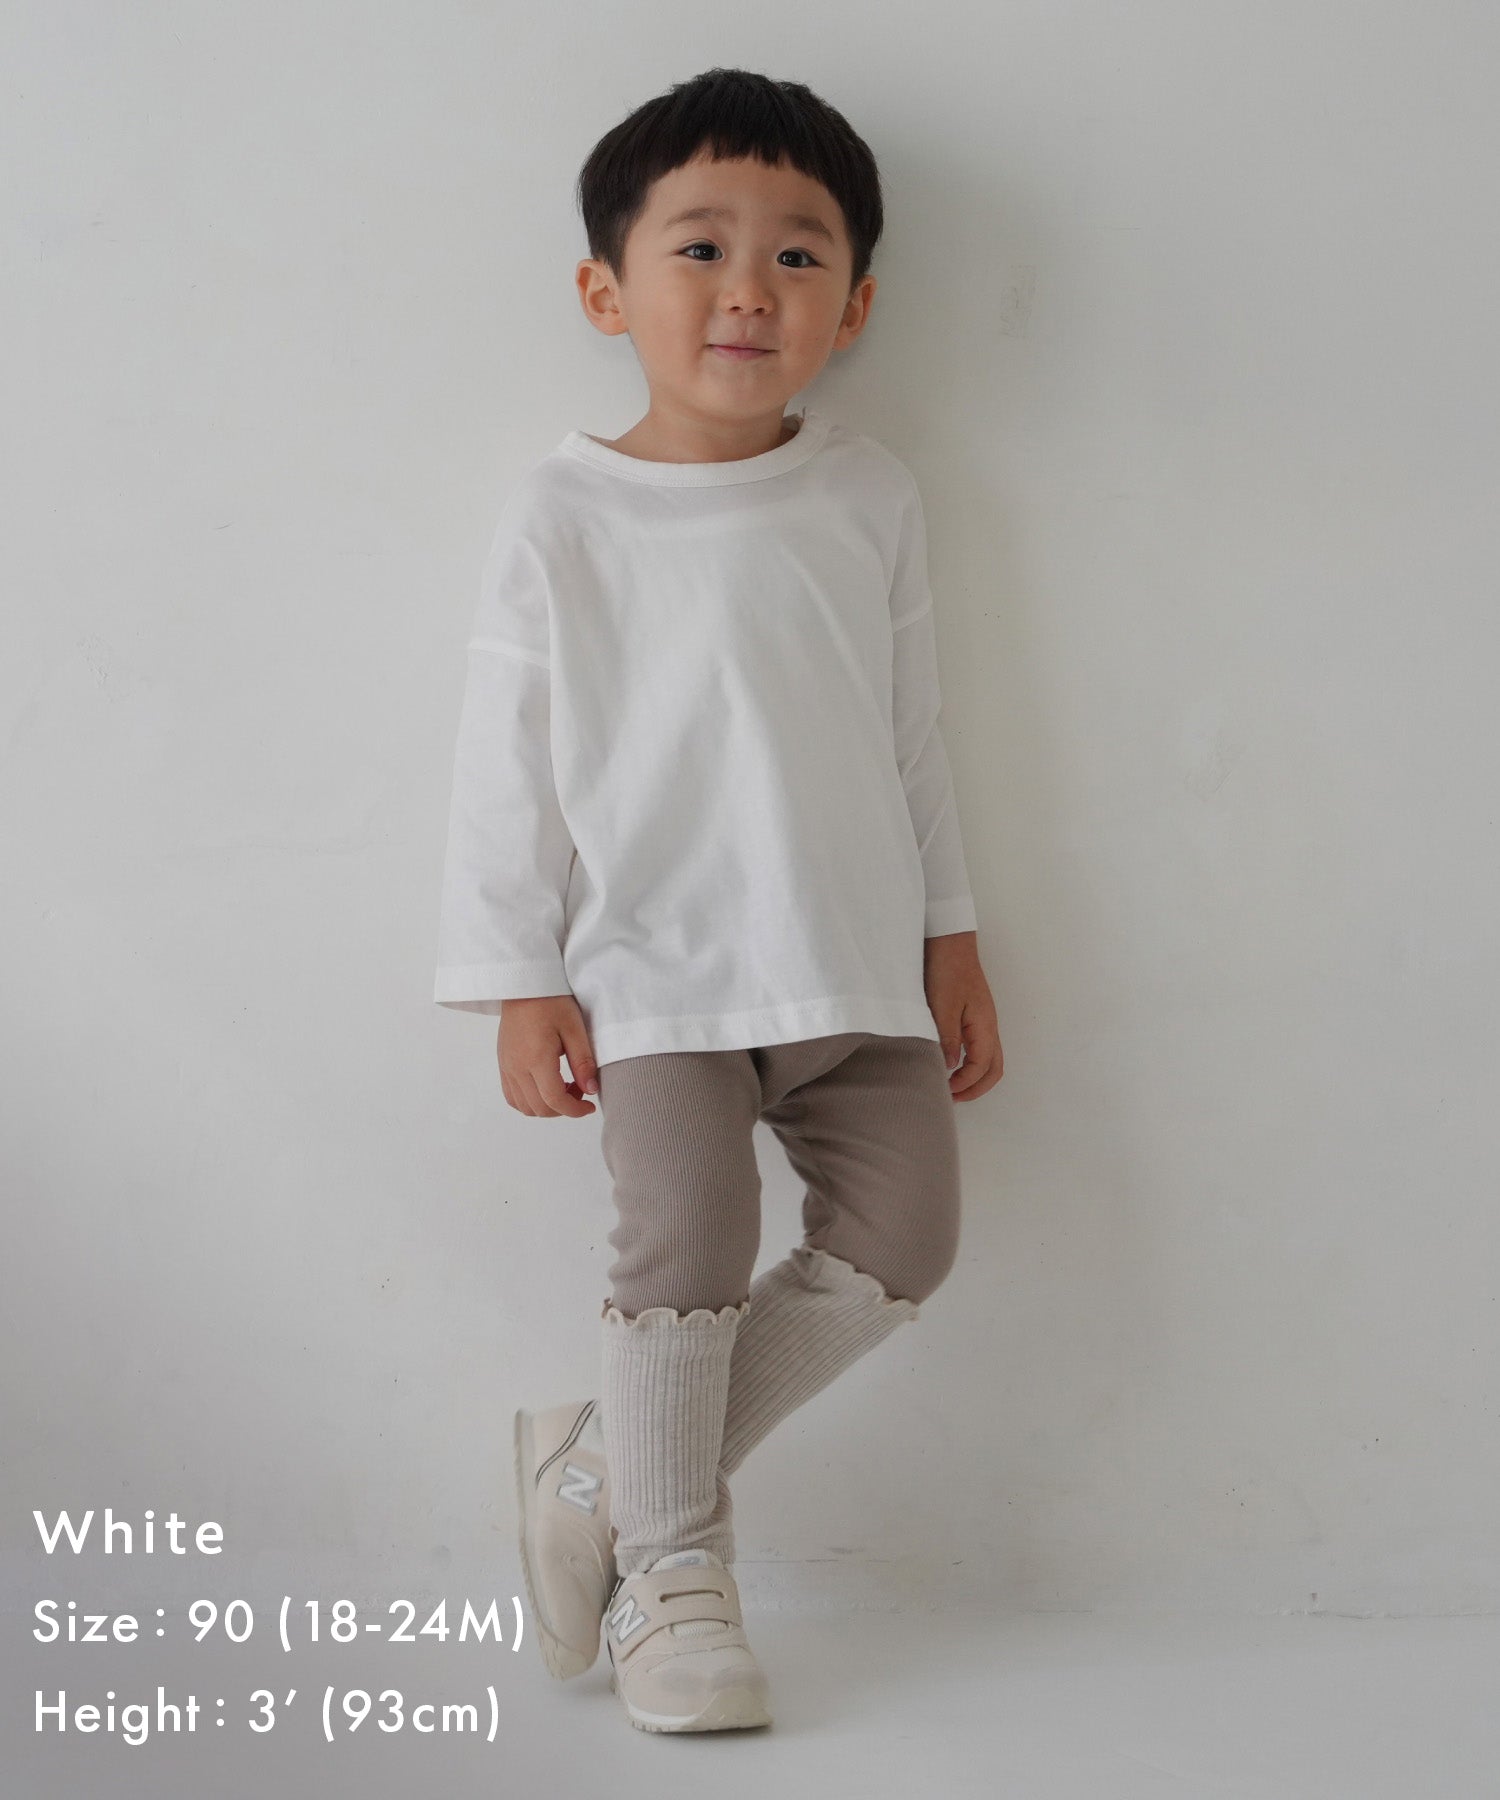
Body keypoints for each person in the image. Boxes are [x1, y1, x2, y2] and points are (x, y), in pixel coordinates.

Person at [433, 66, 1004, 1735]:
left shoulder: (869, 495)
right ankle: (673, 1571)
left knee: (904, 1239)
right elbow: (505, 759)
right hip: (655, 971)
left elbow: (912, 734)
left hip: (852, 960)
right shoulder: (564, 512)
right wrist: (515, 970)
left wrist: (952, 932)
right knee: (683, 1253)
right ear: (606, 289)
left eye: (798, 256)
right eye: (700, 248)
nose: (749, 288)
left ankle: (596, 1472)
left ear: (856, 305)